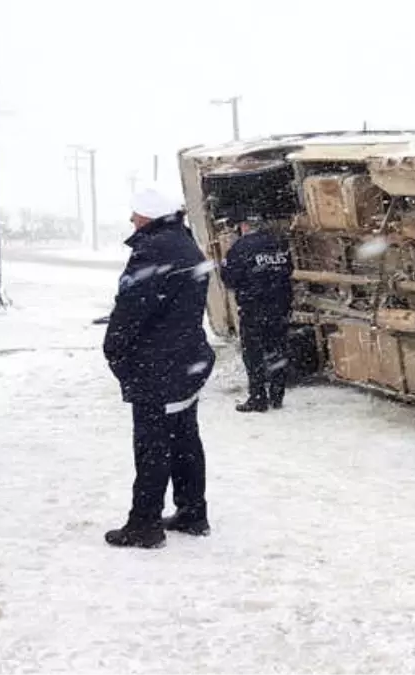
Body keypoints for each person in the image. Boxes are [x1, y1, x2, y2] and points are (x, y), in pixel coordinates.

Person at [103, 188, 215, 549]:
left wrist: (115, 349)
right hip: (186, 360)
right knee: (184, 438)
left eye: (135, 214)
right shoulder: (185, 243)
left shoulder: (152, 250)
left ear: (148, 216)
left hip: (158, 366)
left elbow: (131, 310)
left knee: (152, 446)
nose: (131, 220)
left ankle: (144, 524)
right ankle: (193, 512)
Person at [219, 218, 294, 413]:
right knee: (277, 350)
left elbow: (228, 278)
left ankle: (258, 397)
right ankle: (277, 395)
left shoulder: (240, 247)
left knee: (253, 353)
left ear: (244, 226)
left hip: (254, 308)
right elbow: (289, 270)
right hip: (280, 306)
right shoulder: (278, 244)